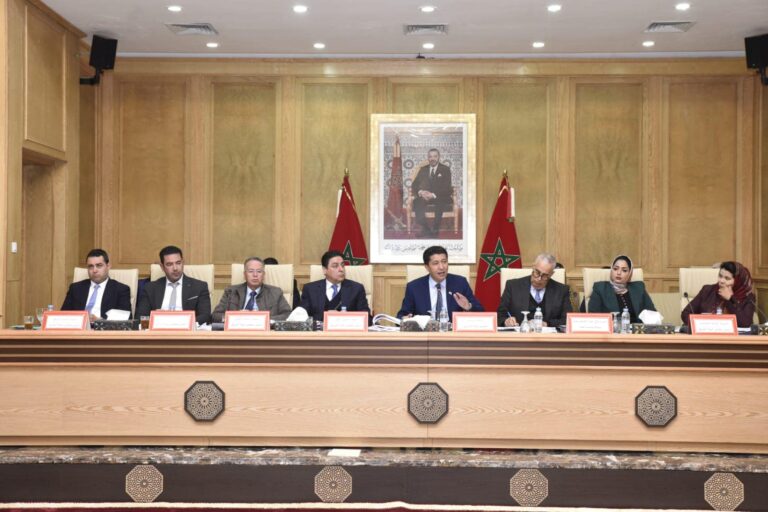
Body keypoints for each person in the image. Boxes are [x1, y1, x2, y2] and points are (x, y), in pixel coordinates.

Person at [397, 245, 483, 318]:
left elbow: (480, 311)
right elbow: (402, 316)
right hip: (426, 331)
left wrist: (468, 306)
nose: (441, 267)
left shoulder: (460, 283)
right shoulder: (414, 287)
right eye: (435, 263)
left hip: (453, 332)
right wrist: (406, 319)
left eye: (444, 262)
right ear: (427, 267)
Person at [135, 245, 212, 325]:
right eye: (169, 264)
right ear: (162, 267)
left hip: (186, 330)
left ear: (183, 263)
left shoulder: (199, 287)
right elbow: (140, 317)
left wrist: (180, 322)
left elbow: (205, 316)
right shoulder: (150, 288)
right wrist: (157, 318)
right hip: (159, 330)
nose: (175, 268)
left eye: (178, 263)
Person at [497, 253, 571, 327]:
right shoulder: (513, 286)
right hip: (519, 332)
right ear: (533, 267)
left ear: (551, 274)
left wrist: (547, 324)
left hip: (547, 333)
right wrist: (506, 321)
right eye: (537, 272)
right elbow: (500, 315)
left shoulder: (561, 290)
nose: (539, 279)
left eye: (544, 275)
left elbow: (567, 320)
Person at [212, 257, 292, 323]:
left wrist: (262, 319)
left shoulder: (275, 292)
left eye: (259, 271)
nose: (255, 275)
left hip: (264, 334)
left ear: (263, 275)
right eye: (251, 271)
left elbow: (288, 315)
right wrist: (236, 317)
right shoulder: (231, 292)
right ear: (244, 274)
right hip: (237, 333)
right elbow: (215, 316)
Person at [300, 250, 370, 324]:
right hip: (319, 331)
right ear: (324, 270)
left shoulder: (356, 289)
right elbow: (301, 319)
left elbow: (367, 319)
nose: (341, 269)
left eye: (342, 265)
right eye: (335, 266)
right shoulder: (310, 289)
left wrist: (342, 318)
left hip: (345, 330)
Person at [61, 248, 132, 320]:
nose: (94, 270)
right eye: (90, 266)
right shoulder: (75, 288)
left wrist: (100, 321)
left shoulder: (121, 290)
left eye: (99, 265)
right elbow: (63, 316)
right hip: (79, 326)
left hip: (103, 326)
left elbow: (125, 320)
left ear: (108, 266)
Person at [682, 261, 755, 328]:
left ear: (738, 281)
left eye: (727, 278)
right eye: (720, 276)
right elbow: (685, 313)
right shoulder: (707, 291)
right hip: (706, 335)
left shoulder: (748, 297)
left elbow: (746, 323)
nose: (721, 281)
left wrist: (730, 299)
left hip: (733, 337)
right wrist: (701, 325)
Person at [587, 255, 655, 323]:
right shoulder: (600, 288)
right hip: (612, 329)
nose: (618, 273)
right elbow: (593, 317)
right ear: (611, 270)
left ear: (630, 273)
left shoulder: (639, 288)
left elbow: (652, 313)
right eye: (615, 269)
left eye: (624, 270)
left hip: (637, 328)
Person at [411, 148, 452, 237]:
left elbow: (447, 188)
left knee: (440, 202)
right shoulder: (423, 169)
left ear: (438, 157)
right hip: (425, 196)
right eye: (430, 156)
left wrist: (433, 195)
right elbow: (414, 185)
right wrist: (421, 192)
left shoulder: (445, 169)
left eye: (435, 156)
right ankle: (426, 229)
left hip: (439, 196)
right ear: (428, 158)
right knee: (417, 202)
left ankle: (435, 230)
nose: (432, 158)